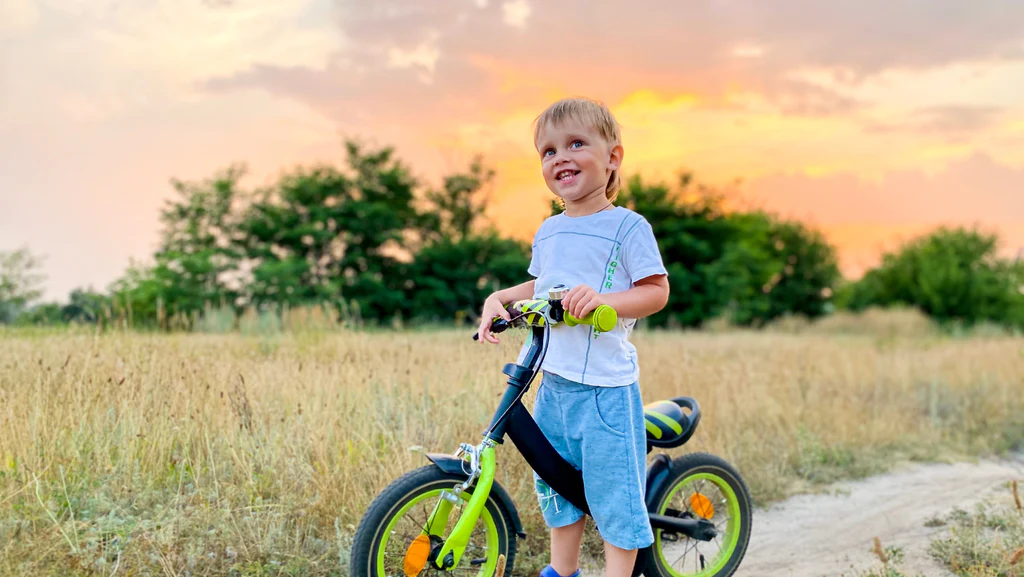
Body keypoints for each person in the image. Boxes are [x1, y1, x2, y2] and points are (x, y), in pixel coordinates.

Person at [475, 97, 670, 577]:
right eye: (548, 151)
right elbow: (540, 288)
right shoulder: (549, 230)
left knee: (614, 496)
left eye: (576, 143)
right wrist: (500, 298)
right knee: (557, 489)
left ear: (613, 157)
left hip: (605, 389)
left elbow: (655, 291)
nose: (560, 157)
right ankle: (562, 573)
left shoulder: (627, 227)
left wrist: (604, 302)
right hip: (553, 383)